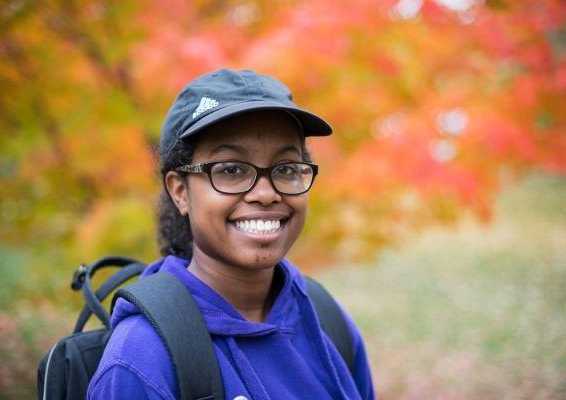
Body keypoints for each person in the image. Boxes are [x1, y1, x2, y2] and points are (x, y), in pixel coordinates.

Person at [87, 69, 375, 399]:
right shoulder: (143, 359)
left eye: (285, 169)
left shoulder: (328, 322)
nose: (266, 194)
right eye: (232, 170)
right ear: (180, 191)